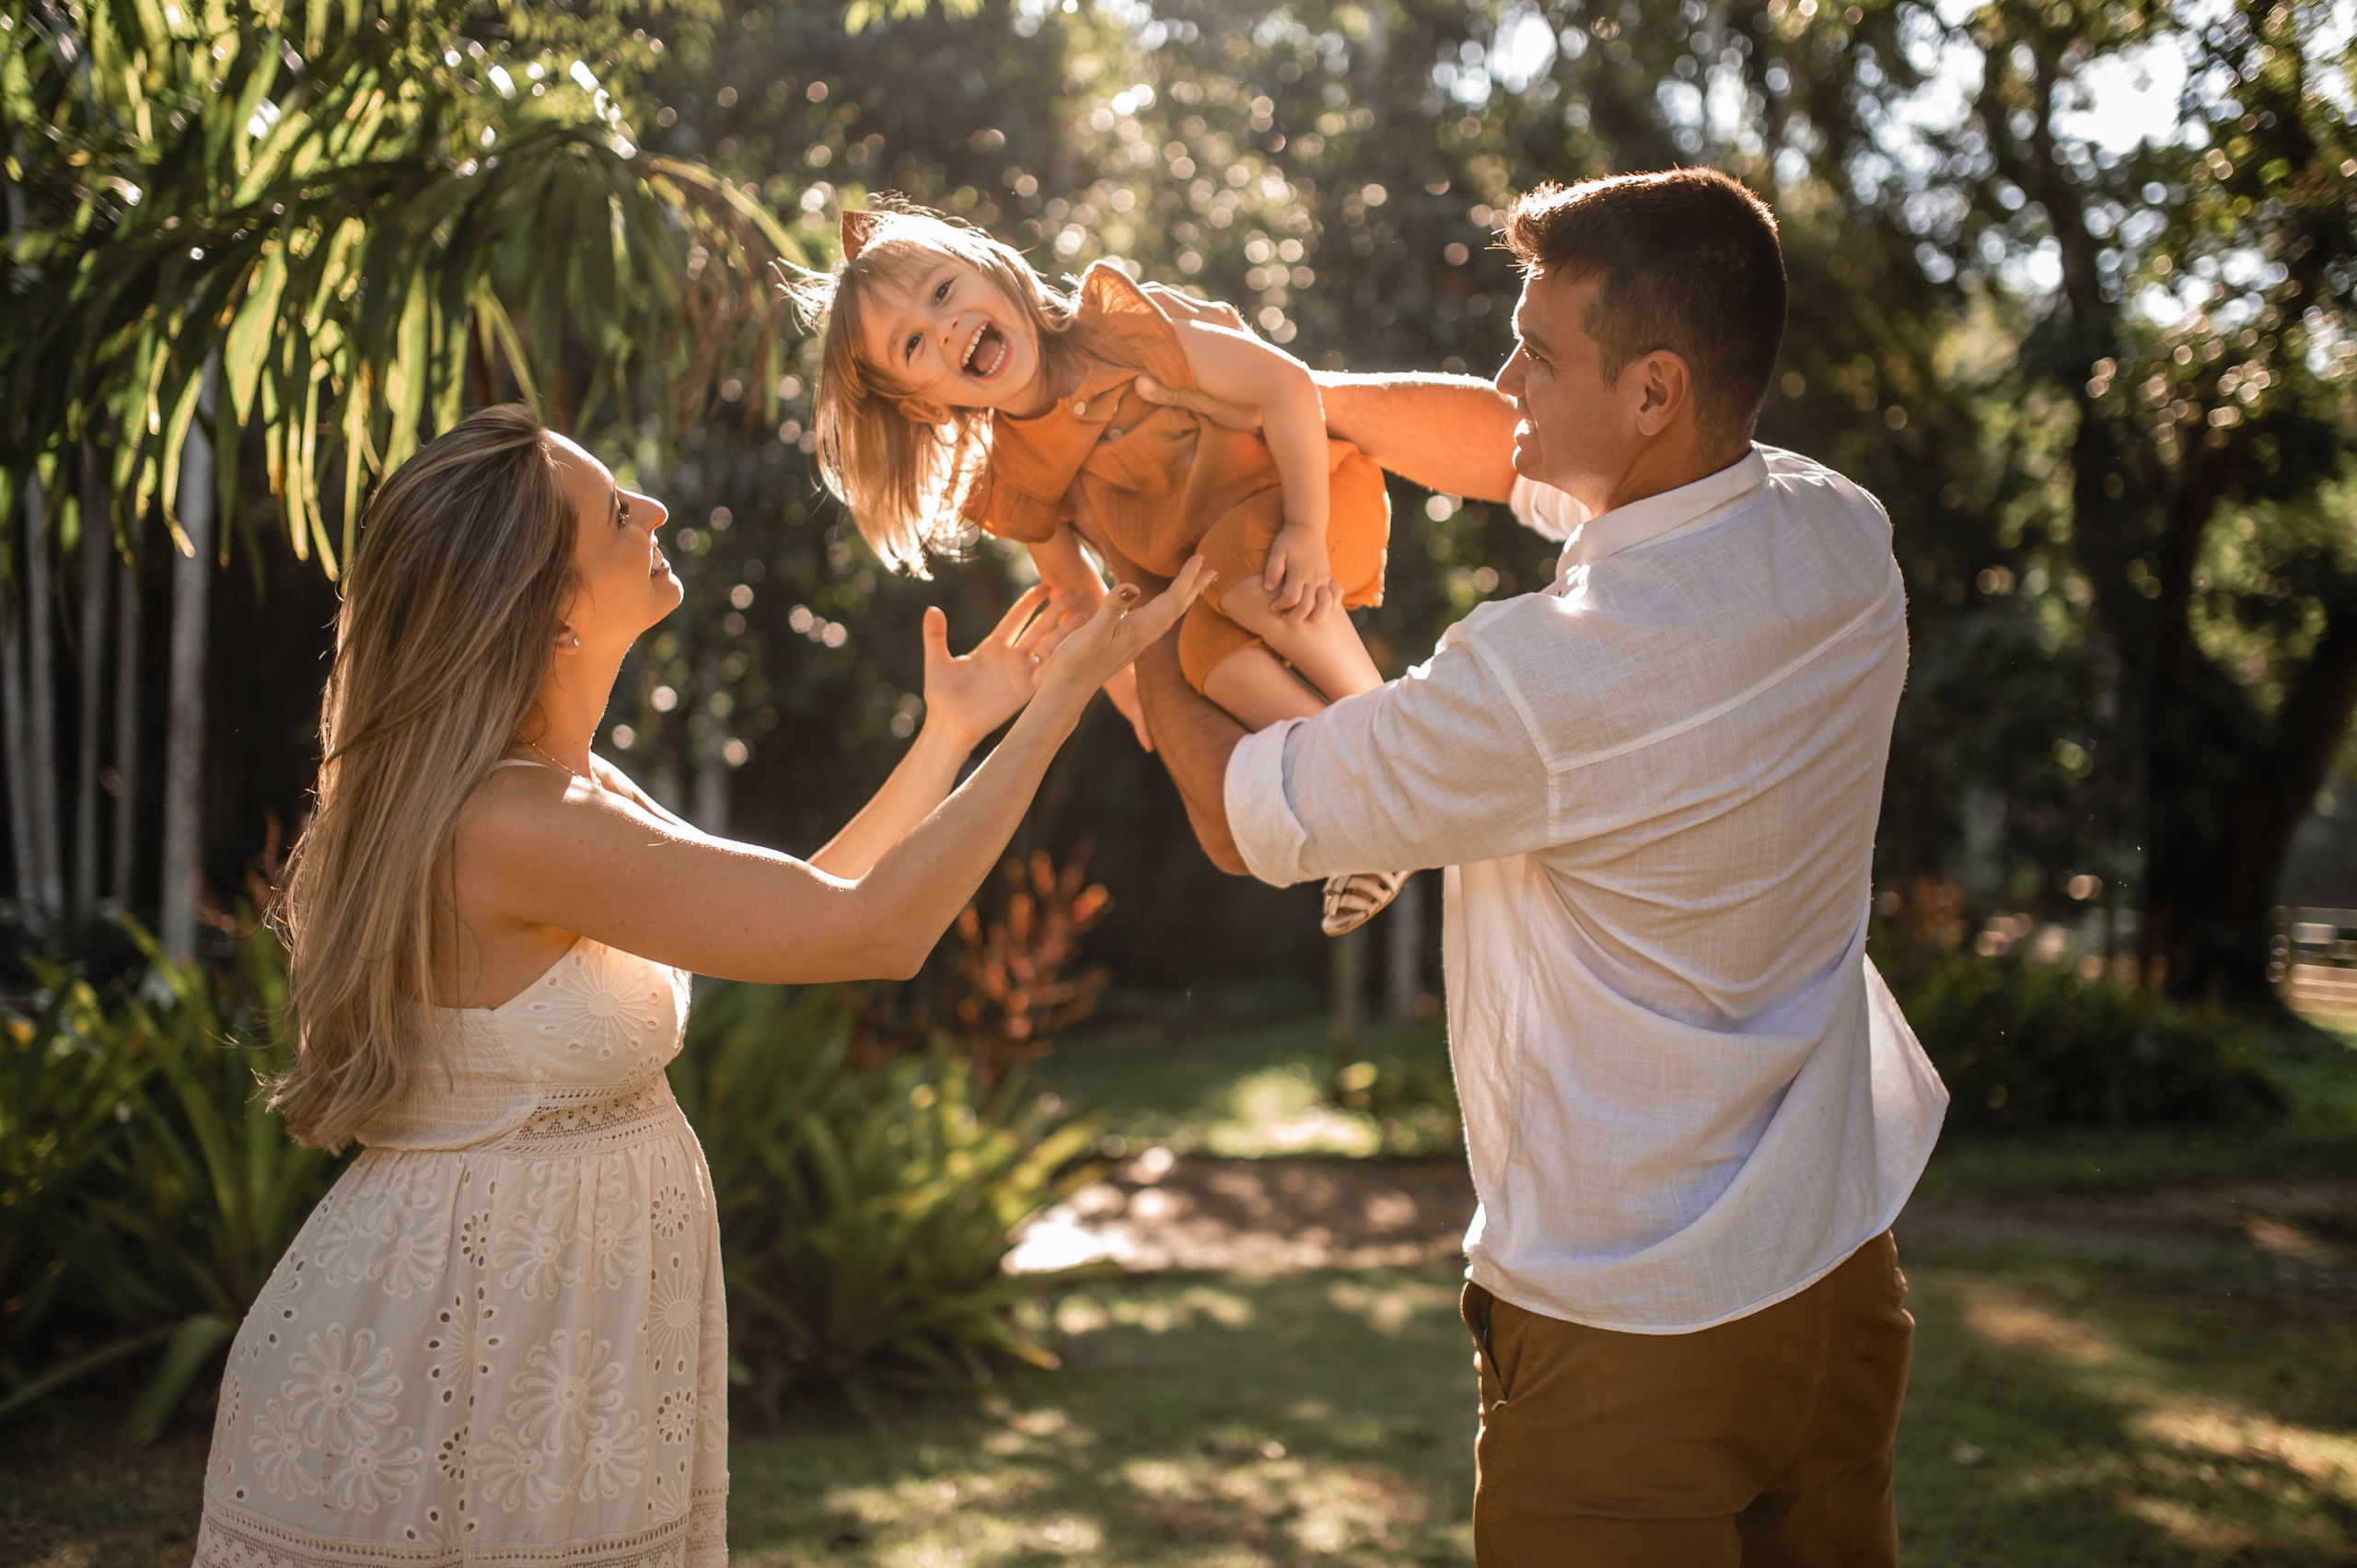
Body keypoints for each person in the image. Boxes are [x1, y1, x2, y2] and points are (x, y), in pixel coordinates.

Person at [192, 403, 1208, 1568]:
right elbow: (876, 932)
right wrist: (1066, 699)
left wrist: (955, 732)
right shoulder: (519, 821)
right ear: (549, 606)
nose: (658, 511)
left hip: (554, 1323)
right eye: (618, 511)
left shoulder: (569, 789)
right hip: (472, 1337)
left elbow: (807, 897)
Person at [1122, 168, 1949, 1566]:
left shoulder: (1540, 684)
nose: (1506, 375)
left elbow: (1238, 809)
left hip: (1629, 1338)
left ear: (1654, 392)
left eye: (1539, 351)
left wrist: (1135, 593)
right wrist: (1285, 396)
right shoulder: (1835, 534)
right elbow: (1496, 447)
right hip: (1838, 1281)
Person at [791, 202, 1406, 936]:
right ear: (923, 407)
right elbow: (1083, 595)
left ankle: (1396, 736)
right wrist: (1129, 692)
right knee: (1209, 659)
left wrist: (1305, 526)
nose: (946, 327)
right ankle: (1374, 799)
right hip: (1228, 580)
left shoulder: (1120, 332)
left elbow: (1285, 385)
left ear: (993, 266)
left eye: (944, 291)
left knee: (1240, 575)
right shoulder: (1018, 477)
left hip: (1312, 502)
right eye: (915, 343)